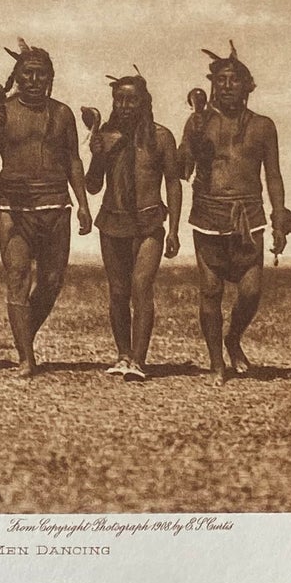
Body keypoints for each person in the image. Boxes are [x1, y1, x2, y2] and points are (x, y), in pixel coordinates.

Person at [179, 42, 291, 384]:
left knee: (250, 292)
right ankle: (217, 363)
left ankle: (233, 338)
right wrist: (192, 142)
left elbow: (272, 175)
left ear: (248, 86)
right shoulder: (198, 122)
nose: (227, 86)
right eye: (221, 81)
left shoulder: (263, 126)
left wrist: (279, 217)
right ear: (212, 86)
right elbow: (182, 169)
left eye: (234, 80)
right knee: (211, 292)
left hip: (249, 218)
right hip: (207, 215)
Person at [0, 41, 90, 378]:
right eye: (28, 73)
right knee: (18, 279)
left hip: (56, 203)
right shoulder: (2, 112)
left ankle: (23, 334)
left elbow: (73, 160)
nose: (34, 80)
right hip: (13, 205)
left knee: (52, 281)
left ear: (50, 78)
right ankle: (27, 357)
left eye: (41, 74)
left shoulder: (63, 113)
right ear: (17, 77)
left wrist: (83, 203)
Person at [83, 71, 181, 381]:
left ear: (144, 102)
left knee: (141, 287)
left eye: (131, 100)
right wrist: (97, 156)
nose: (124, 105)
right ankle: (122, 355)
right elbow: (93, 186)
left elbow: (173, 184)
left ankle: (138, 360)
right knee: (118, 291)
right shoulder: (107, 137)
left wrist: (175, 229)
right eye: (119, 99)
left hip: (150, 219)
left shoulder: (161, 137)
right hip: (112, 220)